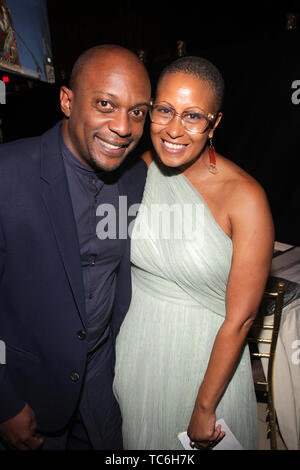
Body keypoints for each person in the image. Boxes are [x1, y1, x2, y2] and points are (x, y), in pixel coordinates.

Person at [113, 56, 274, 450]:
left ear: (214, 124)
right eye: (164, 111)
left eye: (193, 116)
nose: (174, 129)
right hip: (139, 354)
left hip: (208, 364)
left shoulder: (246, 197)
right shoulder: (134, 172)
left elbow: (242, 318)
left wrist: (205, 406)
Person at [0, 44, 151, 450]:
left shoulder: (136, 179)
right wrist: (5, 401)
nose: (123, 127)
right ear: (67, 100)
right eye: (105, 104)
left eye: (137, 111)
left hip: (104, 393)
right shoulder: (8, 173)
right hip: (27, 398)